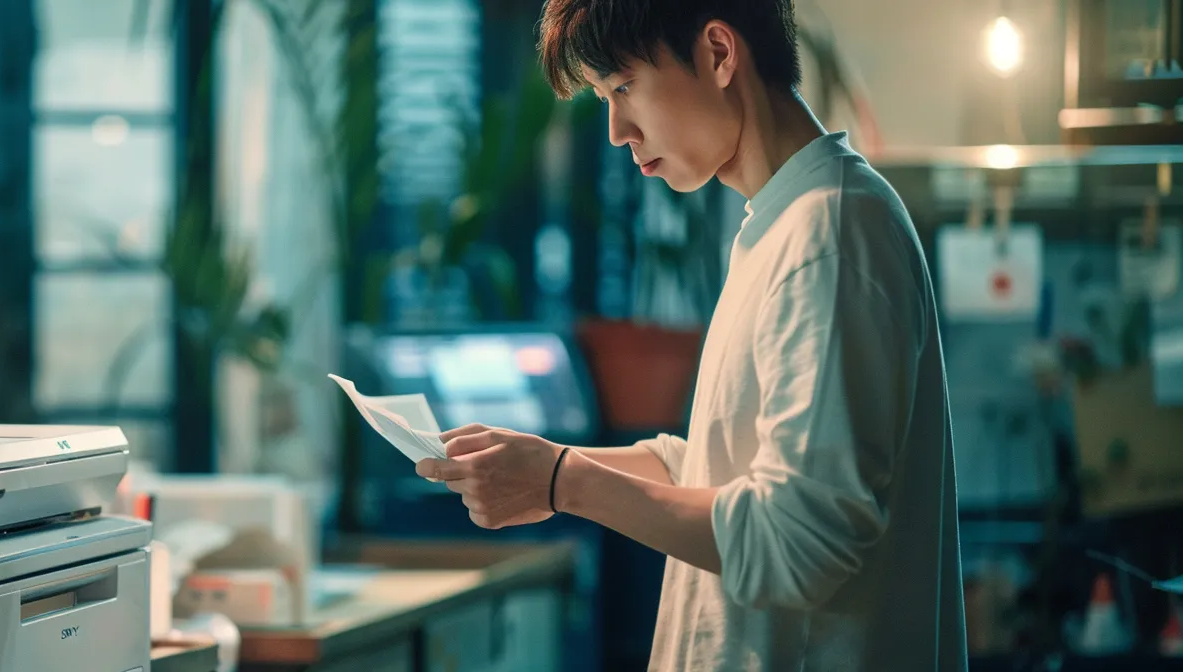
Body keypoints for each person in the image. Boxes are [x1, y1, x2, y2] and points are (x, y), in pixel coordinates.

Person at [413, 0, 966, 669]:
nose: (616, 129)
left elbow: (800, 544)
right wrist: (541, 466)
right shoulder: (782, 224)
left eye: (622, 87)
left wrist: (566, 482)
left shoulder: (830, 234)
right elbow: (714, 468)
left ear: (719, 54)